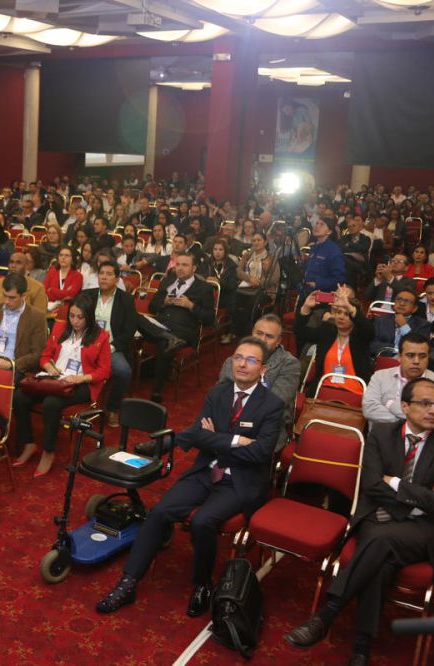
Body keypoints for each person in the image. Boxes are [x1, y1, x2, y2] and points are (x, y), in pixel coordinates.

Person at [96, 338, 285, 616]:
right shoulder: (217, 393)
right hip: (206, 471)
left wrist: (215, 438)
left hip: (239, 480)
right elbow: (198, 435)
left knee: (202, 522)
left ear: (264, 368)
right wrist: (236, 441)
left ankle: (202, 584)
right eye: (238, 357)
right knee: (159, 511)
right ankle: (128, 582)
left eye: (251, 360)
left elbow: (260, 453)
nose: (243, 364)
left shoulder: (272, 405)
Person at [284, 378, 434, 665]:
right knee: (381, 564)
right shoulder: (381, 434)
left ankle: (327, 614)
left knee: (379, 540)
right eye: (425, 403)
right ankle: (361, 646)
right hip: (379, 517)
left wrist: (393, 482)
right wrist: (423, 495)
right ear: (405, 406)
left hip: (425, 530)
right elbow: (370, 485)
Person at [11, 296, 111, 477]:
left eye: (80, 317)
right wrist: (49, 367)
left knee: (51, 403)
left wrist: (80, 378)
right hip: (55, 379)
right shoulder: (59, 328)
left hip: (82, 383)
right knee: (20, 396)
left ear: (89, 317)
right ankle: (28, 444)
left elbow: (104, 371)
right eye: (72, 316)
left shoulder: (101, 336)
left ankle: (48, 451)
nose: (75, 321)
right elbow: (44, 357)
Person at [140, 252, 216, 403]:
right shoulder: (168, 281)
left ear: (194, 268)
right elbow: (152, 306)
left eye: (185, 265)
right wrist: (165, 302)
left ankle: (156, 392)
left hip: (183, 331)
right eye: (178, 264)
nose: (180, 268)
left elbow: (210, 319)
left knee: (164, 343)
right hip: (160, 325)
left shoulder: (204, 288)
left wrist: (191, 306)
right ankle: (167, 339)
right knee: (135, 318)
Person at [216, 314, 299, 450]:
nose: (262, 339)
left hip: (263, 429)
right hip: (228, 423)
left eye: (269, 336)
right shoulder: (233, 360)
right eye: (259, 333)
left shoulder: (289, 364)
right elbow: (220, 396)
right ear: (252, 333)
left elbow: (274, 403)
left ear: (279, 341)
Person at [80, 261, 138, 427]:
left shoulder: (125, 300)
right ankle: (82, 404)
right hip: (86, 343)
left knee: (123, 371)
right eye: (101, 273)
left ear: (117, 278)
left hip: (112, 347)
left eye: (108, 274)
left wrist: (110, 347)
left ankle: (113, 408)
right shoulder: (87, 295)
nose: (104, 277)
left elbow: (129, 330)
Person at [295, 285, 374, 396]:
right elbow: (300, 331)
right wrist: (305, 308)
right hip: (324, 390)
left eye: (346, 314)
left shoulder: (360, 336)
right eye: (338, 312)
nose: (341, 317)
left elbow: (370, 330)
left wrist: (350, 307)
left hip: (354, 393)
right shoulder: (327, 331)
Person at [0, 273, 48, 379]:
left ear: (24, 296)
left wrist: (12, 364)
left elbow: (37, 353)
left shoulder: (36, 317)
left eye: (12, 298)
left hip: (13, 365)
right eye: (5, 295)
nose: (6, 301)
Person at [362, 333, 434, 424]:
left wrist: (390, 406)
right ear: (399, 357)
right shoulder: (380, 376)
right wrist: (409, 421)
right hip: (380, 436)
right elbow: (369, 409)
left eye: (422, 356)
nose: (416, 361)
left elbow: (432, 418)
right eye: (410, 355)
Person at [369, 285, 431, 357]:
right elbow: (372, 345)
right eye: (399, 299)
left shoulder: (423, 325)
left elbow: (420, 348)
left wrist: (404, 327)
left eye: (407, 301)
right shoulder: (380, 320)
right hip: (384, 360)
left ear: (415, 308)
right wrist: (397, 349)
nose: (402, 303)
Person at [300, 218, 345, 297]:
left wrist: (316, 284)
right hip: (306, 292)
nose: (317, 226)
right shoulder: (313, 247)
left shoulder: (334, 250)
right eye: (317, 223)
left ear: (329, 231)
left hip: (323, 297)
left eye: (322, 224)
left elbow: (339, 280)